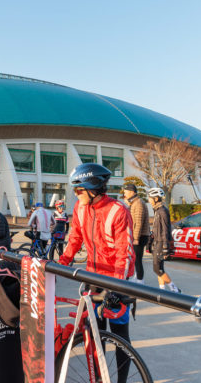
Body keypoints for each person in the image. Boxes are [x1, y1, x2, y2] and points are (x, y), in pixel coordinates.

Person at [58, 163, 135, 382]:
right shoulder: (80, 208)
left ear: (93, 188)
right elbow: (75, 238)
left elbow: (124, 253)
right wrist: (60, 264)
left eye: (79, 190)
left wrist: (117, 287)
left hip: (117, 281)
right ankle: (99, 379)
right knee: (94, 336)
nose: (76, 194)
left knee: (121, 338)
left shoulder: (118, 210)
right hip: (93, 278)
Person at [148, 187, 181, 292]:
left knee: (157, 268)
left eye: (150, 198)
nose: (149, 200)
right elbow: (157, 228)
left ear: (156, 198)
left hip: (161, 243)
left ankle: (174, 289)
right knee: (159, 268)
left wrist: (165, 246)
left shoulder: (162, 211)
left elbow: (166, 229)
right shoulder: (158, 210)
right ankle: (162, 290)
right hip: (157, 242)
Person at [123, 183, 150, 284]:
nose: (124, 194)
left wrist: (136, 238)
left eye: (126, 192)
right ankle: (137, 277)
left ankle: (140, 280)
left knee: (137, 259)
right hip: (137, 235)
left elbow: (138, 222)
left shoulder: (138, 203)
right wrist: (128, 204)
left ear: (132, 192)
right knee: (135, 259)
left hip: (140, 236)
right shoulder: (135, 203)